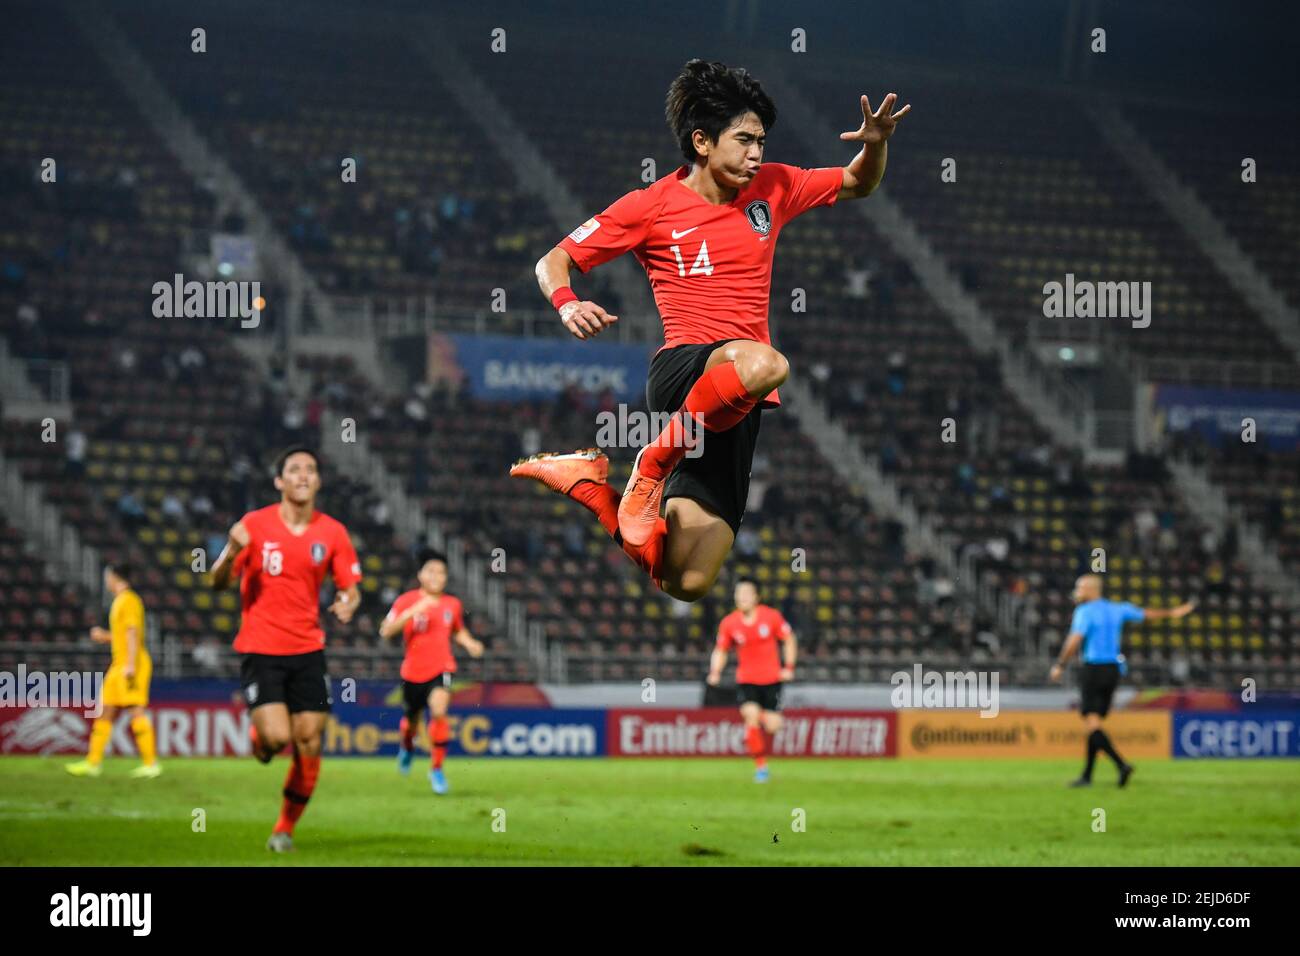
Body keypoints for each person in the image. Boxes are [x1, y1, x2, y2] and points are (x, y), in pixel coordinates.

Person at [511, 59, 909, 603]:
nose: (756, 154)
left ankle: (589, 485)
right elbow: (553, 260)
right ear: (701, 141)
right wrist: (567, 302)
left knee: (685, 579)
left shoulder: (775, 186)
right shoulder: (651, 206)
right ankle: (650, 464)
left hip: (734, 408)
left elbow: (859, 181)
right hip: (686, 371)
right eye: (744, 140)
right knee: (770, 365)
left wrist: (877, 143)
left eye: (762, 142)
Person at [209, 447, 362, 852]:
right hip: (261, 648)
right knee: (277, 739)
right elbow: (217, 583)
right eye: (294, 469)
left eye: (310, 469)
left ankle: (283, 829)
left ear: (318, 481)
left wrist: (348, 601)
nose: (303, 475)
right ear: (279, 481)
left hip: (308, 648)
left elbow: (351, 587)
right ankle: (261, 739)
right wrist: (230, 549)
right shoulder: (253, 526)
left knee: (310, 738)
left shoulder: (333, 532)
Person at [1049, 574, 1195, 787]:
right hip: (1113, 670)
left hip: (1094, 668)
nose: (1077, 592)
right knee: (1095, 722)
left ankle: (1121, 764)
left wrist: (1060, 665)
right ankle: (1087, 776)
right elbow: (1146, 614)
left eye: (1080, 588)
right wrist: (1173, 612)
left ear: (1091, 589)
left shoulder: (1085, 611)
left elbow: (1074, 640)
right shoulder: (1118, 609)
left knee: (1092, 721)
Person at [379, 549, 484, 794]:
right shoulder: (406, 600)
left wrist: (470, 643)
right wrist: (412, 612)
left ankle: (436, 769)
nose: (437, 576)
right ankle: (407, 747)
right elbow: (385, 631)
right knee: (412, 722)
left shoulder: (452, 604)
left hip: (442, 668)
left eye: (441, 572)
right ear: (420, 575)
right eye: (432, 571)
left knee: (439, 710)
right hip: (413, 672)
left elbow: (458, 630)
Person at [66, 563, 159, 779]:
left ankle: (151, 764)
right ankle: (93, 763)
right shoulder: (121, 601)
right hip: (119, 663)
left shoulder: (129, 600)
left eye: (107, 576)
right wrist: (106, 636)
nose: (105, 580)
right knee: (106, 710)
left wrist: (130, 665)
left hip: (130, 663)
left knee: (135, 710)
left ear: (115, 577)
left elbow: (133, 632)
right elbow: (123, 634)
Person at [706, 578, 796, 782]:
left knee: (773, 726)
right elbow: (721, 650)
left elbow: (789, 640)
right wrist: (715, 672)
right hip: (746, 680)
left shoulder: (771, 617)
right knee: (750, 714)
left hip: (772, 680)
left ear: (757, 597)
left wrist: (789, 667)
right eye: (739, 593)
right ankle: (761, 767)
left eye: (746, 593)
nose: (742, 597)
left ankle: (764, 720)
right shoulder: (729, 623)